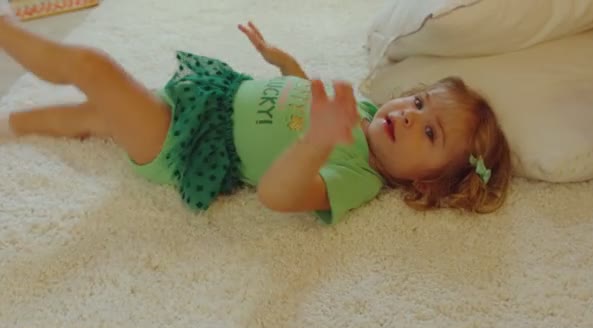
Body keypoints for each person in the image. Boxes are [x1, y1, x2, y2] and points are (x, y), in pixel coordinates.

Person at [0, 8, 512, 224]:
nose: (409, 113)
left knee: (97, 70)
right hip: (208, 100)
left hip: (181, 140)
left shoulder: (357, 177)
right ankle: (14, 125)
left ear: (423, 186)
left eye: (429, 131)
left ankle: (8, 31)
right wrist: (279, 60)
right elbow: (301, 86)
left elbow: (277, 195)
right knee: (92, 116)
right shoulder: (363, 108)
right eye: (419, 102)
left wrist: (316, 142)